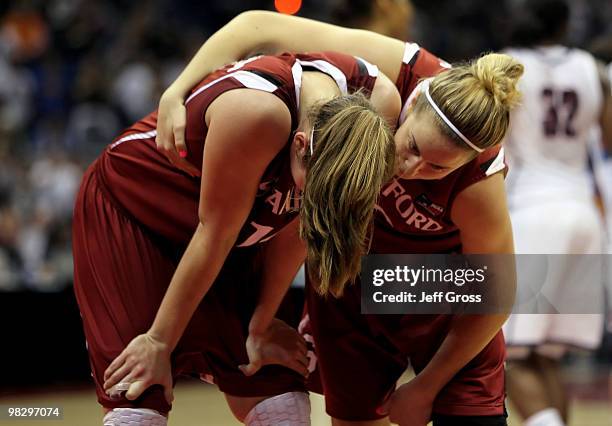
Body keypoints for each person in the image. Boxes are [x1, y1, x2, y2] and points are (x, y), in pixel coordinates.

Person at [153, 11, 523, 426]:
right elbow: (256, 26)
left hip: (438, 288)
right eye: (413, 146)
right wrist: (178, 89)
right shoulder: (392, 70)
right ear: (414, 99)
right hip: (349, 273)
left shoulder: (478, 183)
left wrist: (425, 387)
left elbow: (497, 291)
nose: (411, 167)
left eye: (437, 169)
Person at [73, 50, 397, 426]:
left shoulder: (374, 109)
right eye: (313, 194)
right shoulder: (257, 113)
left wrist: (262, 322)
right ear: (300, 144)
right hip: (136, 210)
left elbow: (296, 226)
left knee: (281, 400)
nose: (309, 204)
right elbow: (214, 233)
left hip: (231, 228)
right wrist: (159, 340)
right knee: (138, 400)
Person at [499, 1, 612, 425]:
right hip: (584, 213)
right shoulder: (591, 67)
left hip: (533, 212)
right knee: (545, 359)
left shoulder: (507, 66)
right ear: (565, 23)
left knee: (506, 353)